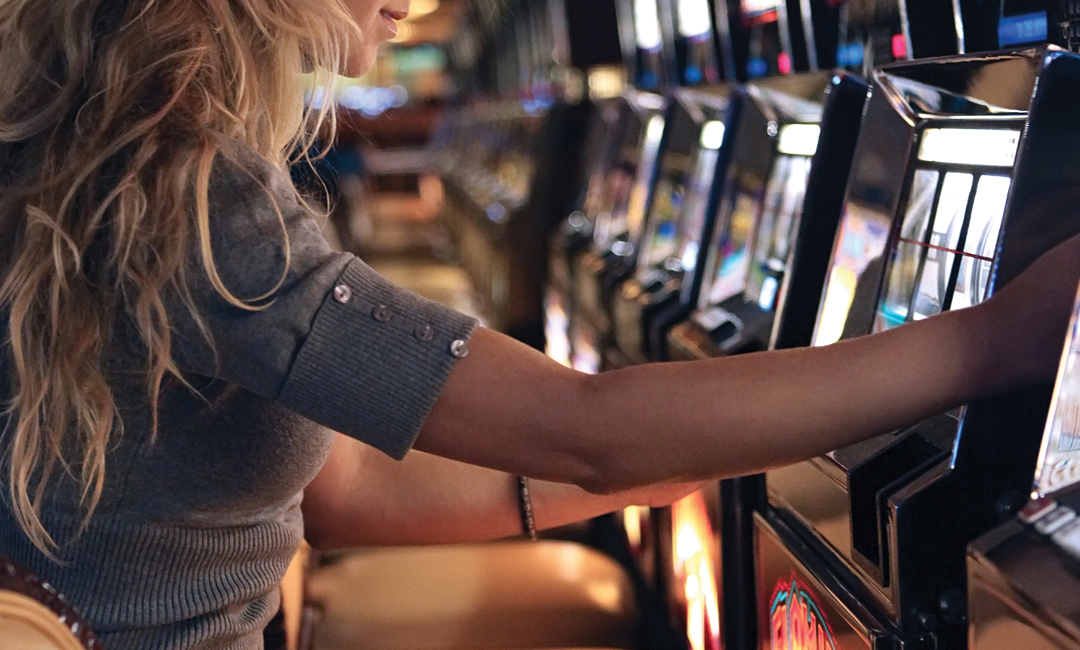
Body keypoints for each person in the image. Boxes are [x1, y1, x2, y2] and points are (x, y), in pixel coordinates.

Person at [0, 1, 1077, 649]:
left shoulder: (129, 160)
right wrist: (1004, 336)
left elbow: (343, 489)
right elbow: (582, 425)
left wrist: (702, 444)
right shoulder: (191, 199)